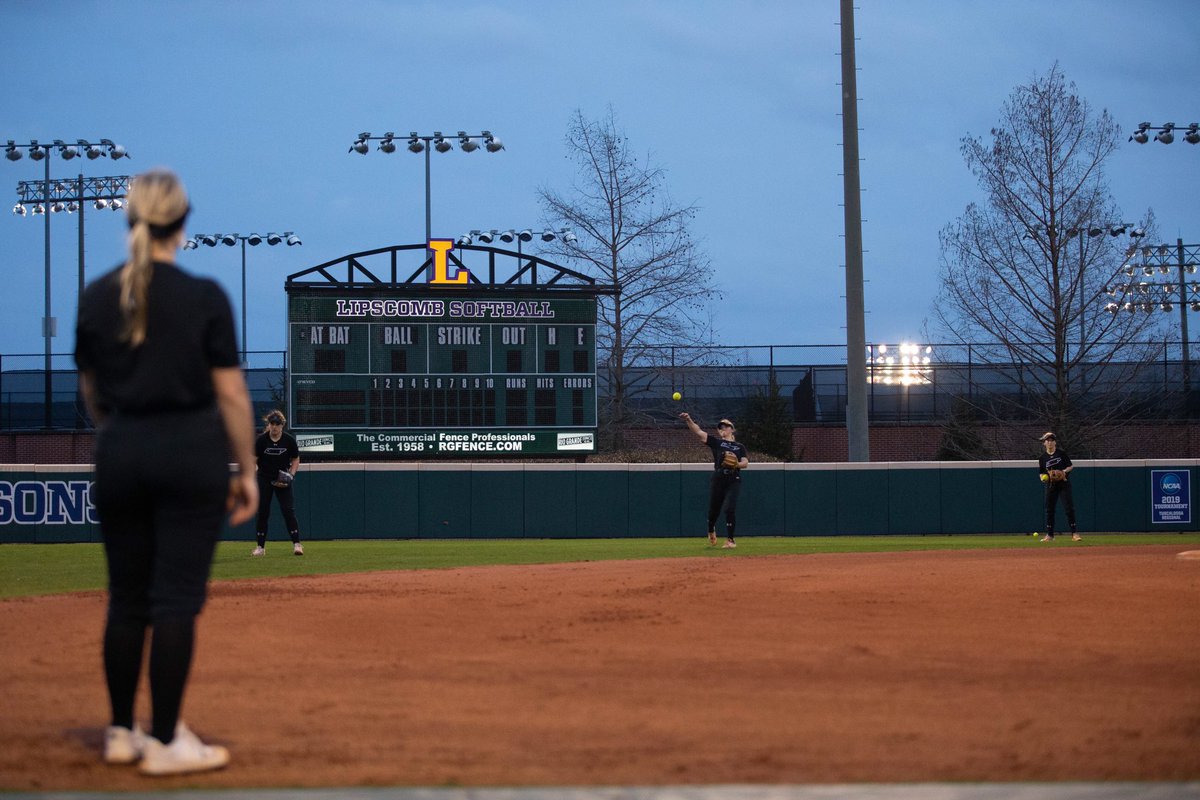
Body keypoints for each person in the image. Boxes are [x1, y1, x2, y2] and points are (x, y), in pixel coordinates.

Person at [75, 169, 258, 776]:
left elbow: (92, 391)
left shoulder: (98, 295)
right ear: (182, 223)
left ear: (132, 220)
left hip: (121, 452)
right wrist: (248, 469)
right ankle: (166, 741)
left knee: (127, 600)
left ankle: (123, 732)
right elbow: (232, 395)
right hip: (189, 454)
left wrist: (123, 433)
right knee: (175, 599)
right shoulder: (204, 296)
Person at [680, 412, 749, 548]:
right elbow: (698, 432)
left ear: (731, 429)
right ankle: (711, 529)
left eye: (725, 426)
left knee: (729, 508)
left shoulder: (739, 446)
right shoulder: (717, 443)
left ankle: (730, 540)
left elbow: (745, 463)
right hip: (718, 479)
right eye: (720, 427)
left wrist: (736, 464)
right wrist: (688, 419)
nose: (722, 429)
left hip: (733, 479)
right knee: (713, 512)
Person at [252, 410, 303, 556]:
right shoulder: (261, 440)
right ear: (269, 425)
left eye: (277, 424)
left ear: (282, 425)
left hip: (282, 480)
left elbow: (295, 459)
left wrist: (291, 475)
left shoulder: (289, 440)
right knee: (262, 512)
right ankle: (260, 547)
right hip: (265, 479)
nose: (274, 427)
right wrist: (257, 473)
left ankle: (297, 544)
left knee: (288, 511)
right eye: (272, 424)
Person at [1037, 431, 1081, 542]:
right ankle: (1050, 535)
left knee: (1068, 508)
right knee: (1049, 510)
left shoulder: (1061, 454)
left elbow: (1070, 466)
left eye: (1052, 440)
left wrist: (1063, 472)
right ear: (1044, 443)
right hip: (1051, 485)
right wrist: (1043, 478)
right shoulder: (1042, 458)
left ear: (1055, 442)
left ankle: (1074, 533)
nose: (1050, 442)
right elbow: (1041, 473)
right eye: (1048, 440)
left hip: (1063, 484)